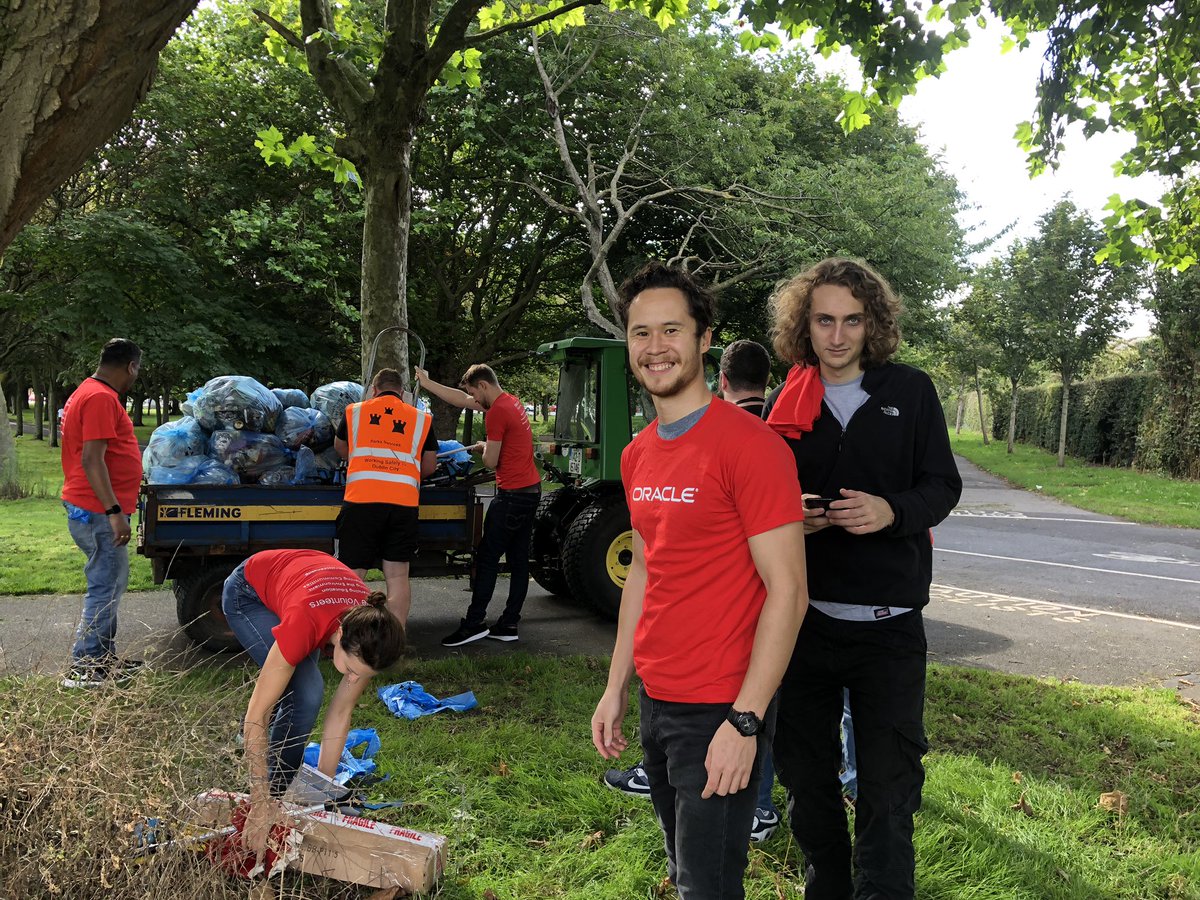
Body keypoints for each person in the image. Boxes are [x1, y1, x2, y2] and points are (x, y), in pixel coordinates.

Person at [592, 261, 809, 899]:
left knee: (708, 888)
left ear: (704, 337)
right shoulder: (637, 453)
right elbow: (646, 569)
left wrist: (745, 722)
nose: (655, 348)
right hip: (658, 700)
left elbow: (789, 592)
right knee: (687, 870)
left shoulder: (751, 446)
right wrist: (616, 686)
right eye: (640, 333)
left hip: (721, 704)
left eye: (671, 330)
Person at [764, 257, 961, 900]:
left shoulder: (910, 391)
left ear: (872, 323)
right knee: (808, 780)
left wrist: (890, 511)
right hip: (804, 627)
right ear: (805, 325)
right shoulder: (785, 401)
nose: (838, 335)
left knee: (887, 786)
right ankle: (827, 886)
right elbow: (761, 500)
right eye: (824, 320)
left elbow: (943, 486)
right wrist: (791, 517)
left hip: (890, 630)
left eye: (852, 320)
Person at [222, 549, 405, 862]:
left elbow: (341, 712)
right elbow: (258, 716)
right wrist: (262, 801)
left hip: (299, 588)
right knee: (305, 691)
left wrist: (324, 790)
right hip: (248, 591)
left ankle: (286, 792)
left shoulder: (371, 632)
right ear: (341, 634)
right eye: (350, 669)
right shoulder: (307, 621)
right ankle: (276, 794)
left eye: (361, 676)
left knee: (300, 685)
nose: (353, 678)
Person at [415, 363, 541, 647]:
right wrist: (427, 382)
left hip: (511, 497)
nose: (472, 398)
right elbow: (461, 399)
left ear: (483, 386)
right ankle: (509, 623)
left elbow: (490, 462)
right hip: (531, 491)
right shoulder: (510, 401)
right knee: (519, 561)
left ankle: (474, 624)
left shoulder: (497, 412)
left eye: (474, 392)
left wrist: (484, 447)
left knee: (486, 558)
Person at [59, 338, 144, 688]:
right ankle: (86, 667)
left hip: (94, 507)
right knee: (104, 587)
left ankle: (103, 660)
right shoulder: (99, 398)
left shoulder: (91, 391)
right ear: (131, 367)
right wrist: (113, 511)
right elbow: (91, 459)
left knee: (110, 584)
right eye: (138, 370)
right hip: (97, 511)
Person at [333, 367, 438, 626]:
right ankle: (396, 641)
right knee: (397, 576)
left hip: (361, 502)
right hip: (402, 505)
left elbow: (340, 449)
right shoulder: (421, 419)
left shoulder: (355, 411)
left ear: (373, 390)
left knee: (353, 574)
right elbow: (429, 466)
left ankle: (348, 638)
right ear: (402, 392)